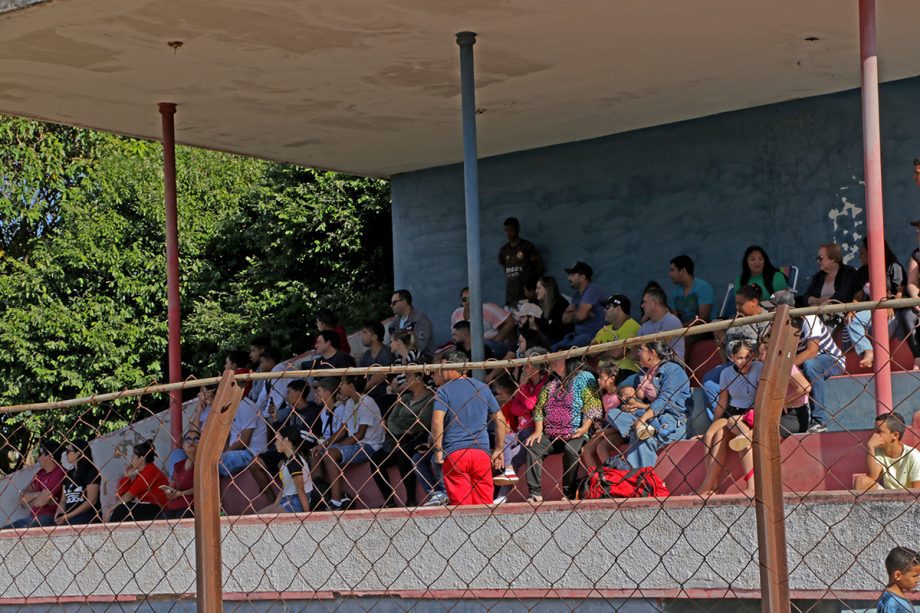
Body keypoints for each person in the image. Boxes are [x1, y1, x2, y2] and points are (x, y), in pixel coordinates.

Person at [431, 351, 508, 506]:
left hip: (455, 453)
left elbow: (437, 421)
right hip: (481, 453)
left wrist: (438, 449)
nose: (441, 371)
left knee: (461, 508)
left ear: (453, 368)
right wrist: (499, 449)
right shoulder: (482, 388)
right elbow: (500, 419)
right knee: (484, 505)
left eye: (443, 366)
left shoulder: (444, 391)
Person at [524, 358, 602, 502]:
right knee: (533, 447)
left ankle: (569, 493)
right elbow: (539, 408)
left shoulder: (584, 378)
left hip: (576, 432)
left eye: (557, 359)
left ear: (569, 360)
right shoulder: (552, 383)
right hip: (552, 433)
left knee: (571, 451)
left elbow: (592, 406)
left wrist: (584, 428)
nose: (552, 362)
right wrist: (538, 431)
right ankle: (535, 493)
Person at [603, 340, 690, 470]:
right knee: (613, 414)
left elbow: (665, 400)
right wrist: (629, 406)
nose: (638, 353)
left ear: (652, 353)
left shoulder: (673, 369)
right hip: (647, 416)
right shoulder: (643, 373)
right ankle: (642, 431)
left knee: (643, 439)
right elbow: (634, 396)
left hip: (671, 419)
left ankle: (637, 477)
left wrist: (643, 419)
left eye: (641, 349)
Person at [771, 289, 844, 433]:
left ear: (784, 309)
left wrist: (786, 367)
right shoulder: (780, 325)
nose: (770, 311)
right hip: (802, 364)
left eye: (772, 308)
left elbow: (812, 350)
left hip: (830, 360)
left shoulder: (809, 318)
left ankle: (819, 420)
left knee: (811, 365)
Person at [697, 340, 762, 496]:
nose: (744, 361)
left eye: (748, 357)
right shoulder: (726, 373)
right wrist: (713, 423)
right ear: (732, 358)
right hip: (733, 412)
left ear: (753, 356)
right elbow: (723, 401)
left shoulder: (759, 368)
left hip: (751, 413)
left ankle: (751, 485)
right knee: (712, 434)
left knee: (736, 430)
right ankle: (711, 485)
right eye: (740, 358)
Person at [314, 376, 386, 510]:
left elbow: (359, 435)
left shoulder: (367, 402)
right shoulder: (350, 403)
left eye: (343, 383)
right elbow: (343, 430)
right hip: (356, 444)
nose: (340, 387)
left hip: (369, 445)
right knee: (316, 454)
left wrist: (336, 447)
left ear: (352, 386)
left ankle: (337, 501)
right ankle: (320, 496)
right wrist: (325, 444)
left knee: (330, 454)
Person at [701, 284, 772, 417]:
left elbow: (764, 346)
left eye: (741, 304)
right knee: (709, 381)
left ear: (754, 302)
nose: (737, 307)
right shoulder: (736, 318)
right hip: (732, 364)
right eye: (736, 304)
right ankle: (723, 419)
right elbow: (724, 342)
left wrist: (748, 362)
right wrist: (718, 331)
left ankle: (745, 418)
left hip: (750, 365)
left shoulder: (764, 318)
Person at [847, 238, 918, 368]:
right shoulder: (862, 272)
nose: (859, 256)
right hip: (872, 310)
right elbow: (858, 295)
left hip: (893, 312)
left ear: (872, 253)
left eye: (862, 252)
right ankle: (867, 351)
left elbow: (900, 292)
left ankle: (882, 365)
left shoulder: (893, 267)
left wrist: (889, 306)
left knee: (882, 331)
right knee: (853, 322)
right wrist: (851, 309)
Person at [370, 368, 435, 507]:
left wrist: (405, 426)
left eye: (409, 377)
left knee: (403, 457)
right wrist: (403, 429)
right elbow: (391, 420)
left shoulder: (431, 398)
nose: (406, 381)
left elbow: (422, 422)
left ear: (419, 379)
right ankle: (389, 500)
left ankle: (411, 498)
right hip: (398, 438)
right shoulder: (405, 398)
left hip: (418, 438)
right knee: (375, 461)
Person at [1, 441, 65, 530]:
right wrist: (38, 494)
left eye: (40, 453)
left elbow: (39, 503)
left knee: (9, 533)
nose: (38, 457)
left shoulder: (60, 472)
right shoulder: (40, 473)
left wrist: (33, 499)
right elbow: (22, 499)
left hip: (48, 517)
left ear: (49, 456)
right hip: (32, 516)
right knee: (3, 531)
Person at [259, 425, 319, 514]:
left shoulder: (294, 462)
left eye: (277, 439)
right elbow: (284, 488)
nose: (275, 443)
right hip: (285, 500)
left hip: (296, 502)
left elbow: (301, 489)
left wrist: (307, 514)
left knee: (265, 519)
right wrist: (275, 505)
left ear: (286, 440)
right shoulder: (286, 461)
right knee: (258, 515)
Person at [854, 412, 920, 492]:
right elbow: (872, 477)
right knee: (861, 481)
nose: (874, 435)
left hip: (908, 497)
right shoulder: (878, 451)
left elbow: (916, 490)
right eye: (874, 431)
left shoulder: (913, 455)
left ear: (895, 435)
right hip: (887, 495)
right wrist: (870, 448)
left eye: (879, 431)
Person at [108, 440, 169, 522]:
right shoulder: (141, 473)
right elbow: (122, 496)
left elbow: (129, 495)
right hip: (145, 506)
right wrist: (127, 478)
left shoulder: (150, 471)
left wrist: (110, 509)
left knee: (120, 510)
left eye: (133, 457)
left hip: (156, 508)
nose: (131, 460)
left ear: (141, 458)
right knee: (121, 508)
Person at [552, 262, 605, 351]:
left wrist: (575, 313)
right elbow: (565, 319)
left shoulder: (593, 289)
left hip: (592, 335)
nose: (568, 278)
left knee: (563, 351)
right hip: (576, 335)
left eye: (572, 275)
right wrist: (584, 314)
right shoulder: (577, 295)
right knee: (551, 350)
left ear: (582, 277)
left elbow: (580, 316)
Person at [591, 294, 641, 384]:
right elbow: (591, 352)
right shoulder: (604, 329)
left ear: (618, 308)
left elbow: (617, 353)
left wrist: (601, 351)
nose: (604, 310)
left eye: (607, 307)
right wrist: (610, 350)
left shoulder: (633, 327)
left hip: (625, 372)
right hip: (603, 374)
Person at [450, 287, 516, 356]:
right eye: (464, 299)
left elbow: (510, 321)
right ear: (461, 301)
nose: (467, 301)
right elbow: (455, 335)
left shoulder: (487, 308)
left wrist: (496, 341)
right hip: (468, 347)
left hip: (492, 345)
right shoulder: (456, 314)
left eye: (471, 298)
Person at [219, 395, 268, 477]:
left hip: (252, 452)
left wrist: (226, 452)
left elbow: (244, 441)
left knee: (221, 461)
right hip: (236, 451)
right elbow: (228, 436)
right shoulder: (230, 408)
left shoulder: (246, 407)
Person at [498, 217, 543, 305]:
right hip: (511, 296)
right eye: (506, 230)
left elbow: (539, 268)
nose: (508, 233)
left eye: (511, 230)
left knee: (527, 318)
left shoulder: (527, 246)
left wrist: (532, 287)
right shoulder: (504, 250)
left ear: (518, 229)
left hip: (527, 295)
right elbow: (505, 268)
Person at [55, 440, 101, 526]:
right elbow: (63, 501)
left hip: (86, 516)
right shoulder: (68, 474)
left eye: (68, 451)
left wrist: (68, 516)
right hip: (68, 517)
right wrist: (58, 515)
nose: (66, 454)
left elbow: (92, 501)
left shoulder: (91, 471)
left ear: (78, 453)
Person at [803, 243, 860, 312]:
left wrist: (827, 301)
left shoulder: (848, 272)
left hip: (840, 315)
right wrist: (817, 300)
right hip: (818, 313)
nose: (818, 261)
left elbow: (843, 296)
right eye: (817, 258)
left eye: (821, 258)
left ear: (832, 258)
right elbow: (806, 296)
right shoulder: (818, 276)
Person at [637, 287, 686, 363]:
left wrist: (642, 345)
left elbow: (658, 348)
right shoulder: (645, 326)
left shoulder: (672, 321)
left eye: (645, 302)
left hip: (671, 368)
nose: (642, 305)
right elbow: (634, 353)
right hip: (649, 370)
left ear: (655, 303)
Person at [161, 429, 199, 519]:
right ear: (183, 445)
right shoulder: (179, 465)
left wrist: (181, 493)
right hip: (173, 506)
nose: (192, 442)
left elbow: (201, 487)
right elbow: (172, 485)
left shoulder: (202, 464)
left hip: (192, 506)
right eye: (188, 439)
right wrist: (169, 492)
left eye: (196, 439)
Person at [358, 320, 395, 408]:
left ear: (374, 337)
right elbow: (360, 377)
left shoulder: (386, 354)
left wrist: (357, 391)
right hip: (367, 396)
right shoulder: (367, 355)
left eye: (364, 332)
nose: (361, 335)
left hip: (383, 397)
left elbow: (374, 381)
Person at [668, 255, 714, 325]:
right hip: (683, 332)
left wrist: (681, 328)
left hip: (704, 330)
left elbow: (703, 319)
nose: (669, 274)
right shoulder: (675, 292)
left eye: (672, 270)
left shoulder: (703, 287)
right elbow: (675, 320)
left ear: (683, 271)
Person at [388, 289, 434, 358]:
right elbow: (391, 345)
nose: (391, 306)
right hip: (401, 361)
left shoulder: (420, 320)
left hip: (421, 362)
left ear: (404, 302)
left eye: (394, 303)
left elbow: (421, 346)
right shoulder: (393, 324)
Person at [876, 546, 920, 613]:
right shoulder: (891, 602)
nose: (918, 579)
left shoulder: (898, 597)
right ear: (897, 575)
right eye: (915, 576)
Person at [254, 348, 292, 423]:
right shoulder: (269, 375)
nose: (260, 366)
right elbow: (262, 397)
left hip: (286, 409)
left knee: (267, 421)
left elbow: (277, 399)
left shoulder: (278, 370)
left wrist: (264, 415)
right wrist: (255, 411)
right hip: (276, 409)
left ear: (270, 361)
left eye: (262, 362)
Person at [535, 276, 571, 345]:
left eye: (538, 288)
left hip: (561, 341)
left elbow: (556, 331)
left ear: (547, 289)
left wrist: (537, 326)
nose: (536, 291)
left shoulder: (560, 303)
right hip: (550, 341)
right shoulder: (541, 306)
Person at [388, 329, 421, 396]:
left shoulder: (413, 355)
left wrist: (395, 391)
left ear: (398, 342)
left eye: (391, 341)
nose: (390, 344)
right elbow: (398, 381)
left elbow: (409, 382)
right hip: (405, 393)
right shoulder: (399, 359)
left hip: (415, 391)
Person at [906, 218, 920, 370]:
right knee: (907, 314)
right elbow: (912, 282)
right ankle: (918, 357)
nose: (918, 232)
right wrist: (916, 299)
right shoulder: (917, 254)